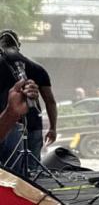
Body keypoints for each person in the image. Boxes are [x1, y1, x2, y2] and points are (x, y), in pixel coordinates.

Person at [0, 31, 58, 178]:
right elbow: (50, 101)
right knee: (31, 176)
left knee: (10, 175)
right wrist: (52, 128)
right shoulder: (37, 68)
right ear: (18, 45)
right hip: (31, 123)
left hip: (8, 125)